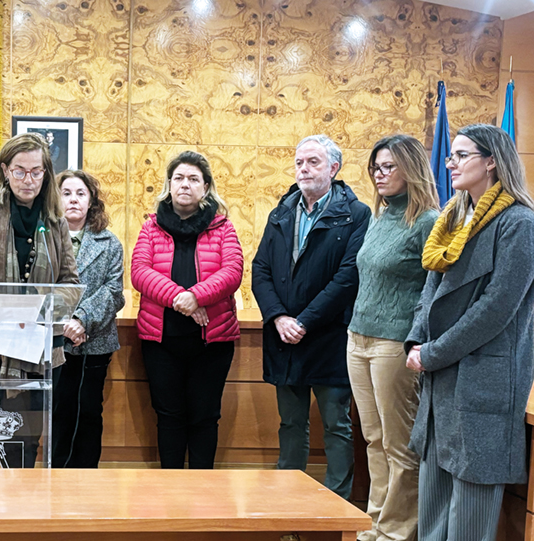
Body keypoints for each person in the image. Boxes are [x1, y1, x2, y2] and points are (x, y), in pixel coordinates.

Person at [405, 124, 534, 540]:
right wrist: (416, 341)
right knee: (433, 513)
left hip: (484, 377)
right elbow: (430, 289)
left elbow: (496, 308)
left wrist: (434, 351)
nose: (451, 163)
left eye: (462, 155)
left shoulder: (519, 223)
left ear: (492, 161)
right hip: (440, 375)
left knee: (468, 523)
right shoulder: (453, 217)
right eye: (451, 155)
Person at [251, 134, 370, 499]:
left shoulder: (356, 214)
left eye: (313, 162)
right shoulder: (282, 211)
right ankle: (289, 500)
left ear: (334, 168)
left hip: (329, 337)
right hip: (283, 336)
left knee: (336, 425)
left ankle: (337, 504)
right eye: (300, 162)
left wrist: (304, 321)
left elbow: (348, 277)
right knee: (291, 423)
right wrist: (278, 318)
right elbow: (260, 270)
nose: (304, 169)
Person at [0, 132, 78, 468]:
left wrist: (37, 305)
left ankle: (25, 513)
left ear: (46, 174)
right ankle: (3, 512)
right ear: (5, 171)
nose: (29, 179)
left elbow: (70, 282)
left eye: (36, 172)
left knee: (29, 440)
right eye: (20, 171)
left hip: (39, 343)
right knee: (5, 436)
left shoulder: (55, 220)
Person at [347, 135, 440, 540]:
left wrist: (418, 340)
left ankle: (399, 532)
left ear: (412, 169)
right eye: (375, 168)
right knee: (373, 439)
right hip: (358, 338)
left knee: (399, 446)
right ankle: (375, 525)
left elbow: (434, 291)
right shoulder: (379, 216)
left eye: (388, 167)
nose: (379, 175)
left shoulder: (428, 222)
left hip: (394, 344)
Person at [131, 150, 243, 469]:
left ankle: (202, 490)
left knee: (205, 417)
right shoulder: (151, 227)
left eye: (194, 179)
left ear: (205, 188)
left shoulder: (223, 227)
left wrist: (196, 296)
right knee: (169, 416)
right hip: (161, 341)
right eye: (178, 178)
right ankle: (171, 490)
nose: (185, 184)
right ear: (169, 185)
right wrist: (182, 299)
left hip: (211, 342)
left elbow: (233, 271)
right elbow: (139, 271)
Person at [52, 169, 125, 468]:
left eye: (80, 194)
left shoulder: (110, 243)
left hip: (94, 342)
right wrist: (63, 324)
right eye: (66, 193)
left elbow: (114, 291)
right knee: (59, 412)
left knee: (89, 413)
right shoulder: (42, 237)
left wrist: (81, 320)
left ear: (91, 200)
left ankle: (87, 479)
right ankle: (55, 478)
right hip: (54, 342)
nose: (73, 200)